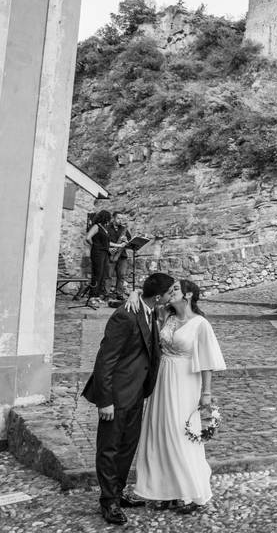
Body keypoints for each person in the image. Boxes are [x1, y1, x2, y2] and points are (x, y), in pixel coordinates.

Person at [82, 272, 176, 525]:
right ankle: (108, 502)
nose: (171, 296)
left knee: (127, 448)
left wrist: (134, 292)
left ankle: (118, 491)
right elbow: (105, 360)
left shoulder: (151, 310)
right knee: (109, 449)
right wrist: (105, 400)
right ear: (158, 296)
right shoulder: (125, 315)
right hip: (116, 394)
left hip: (136, 393)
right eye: (170, 292)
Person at [130, 278, 226, 514]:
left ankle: (192, 491)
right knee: (159, 431)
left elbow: (207, 361)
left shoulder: (201, 324)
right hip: (162, 380)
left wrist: (206, 393)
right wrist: (134, 293)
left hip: (185, 382)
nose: (170, 293)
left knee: (180, 433)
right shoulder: (167, 316)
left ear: (189, 295)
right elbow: (147, 299)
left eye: (175, 290)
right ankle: (165, 491)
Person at [85, 210, 113, 301]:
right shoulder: (96, 226)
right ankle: (92, 296)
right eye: (109, 218)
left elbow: (107, 243)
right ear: (105, 218)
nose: (110, 220)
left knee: (102, 274)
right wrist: (94, 245)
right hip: (97, 253)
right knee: (97, 274)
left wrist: (119, 245)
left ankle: (97, 295)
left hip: (104, 253)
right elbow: (88, 238)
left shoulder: (104, 228)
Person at [107, 212, 133, 298]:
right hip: (110, 254)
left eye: (122, 219)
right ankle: (106, 294)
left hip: (122, 255)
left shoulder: (124, 229)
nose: (120, 220)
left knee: (121, 275)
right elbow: (103, 241)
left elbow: (129, 242)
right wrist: (109, 249)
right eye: (118, 218)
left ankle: (119, 293)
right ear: (113, 218)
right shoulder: (107, 227)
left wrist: (126, 240)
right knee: (108, 275)